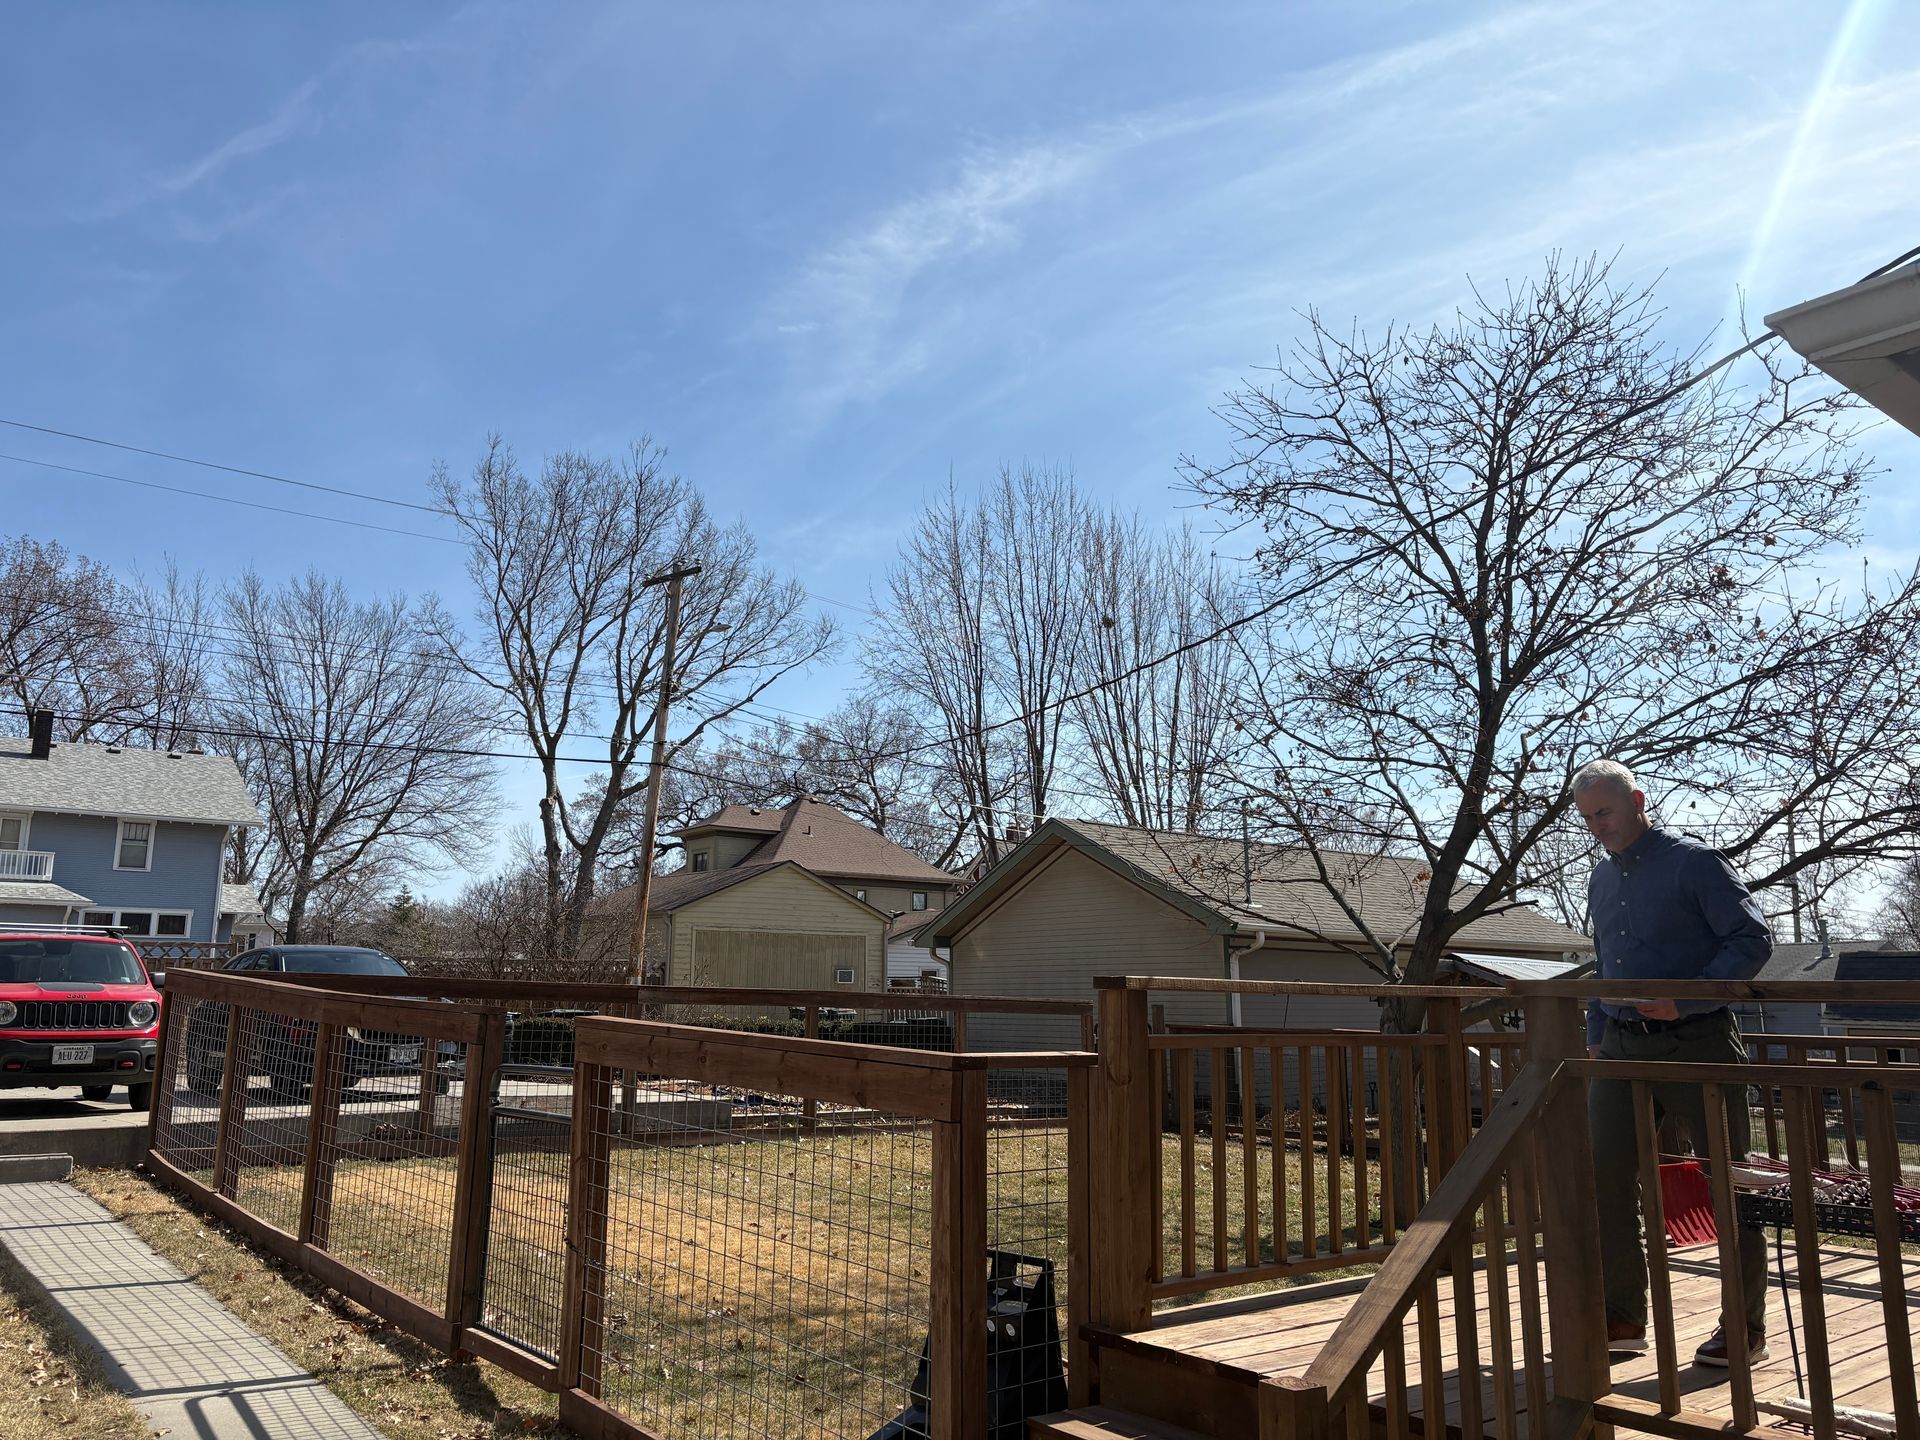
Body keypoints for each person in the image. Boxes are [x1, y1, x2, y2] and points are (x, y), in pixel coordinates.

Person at [1572, 759, 1771, 1368]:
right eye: (1586, 818)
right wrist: (1599, 1033)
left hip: (1699, 1042)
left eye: (1604, 812)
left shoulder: (1695, 863)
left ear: (1636, 800)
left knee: (1730, 1185)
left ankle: (1744, 1329)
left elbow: (1751, 940)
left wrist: (1684, 998)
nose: (1597, 827)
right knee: (1606, 1179)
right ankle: (1624, 1317)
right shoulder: (1601, 882)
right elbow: (1607, 964)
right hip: (1623, 1049)